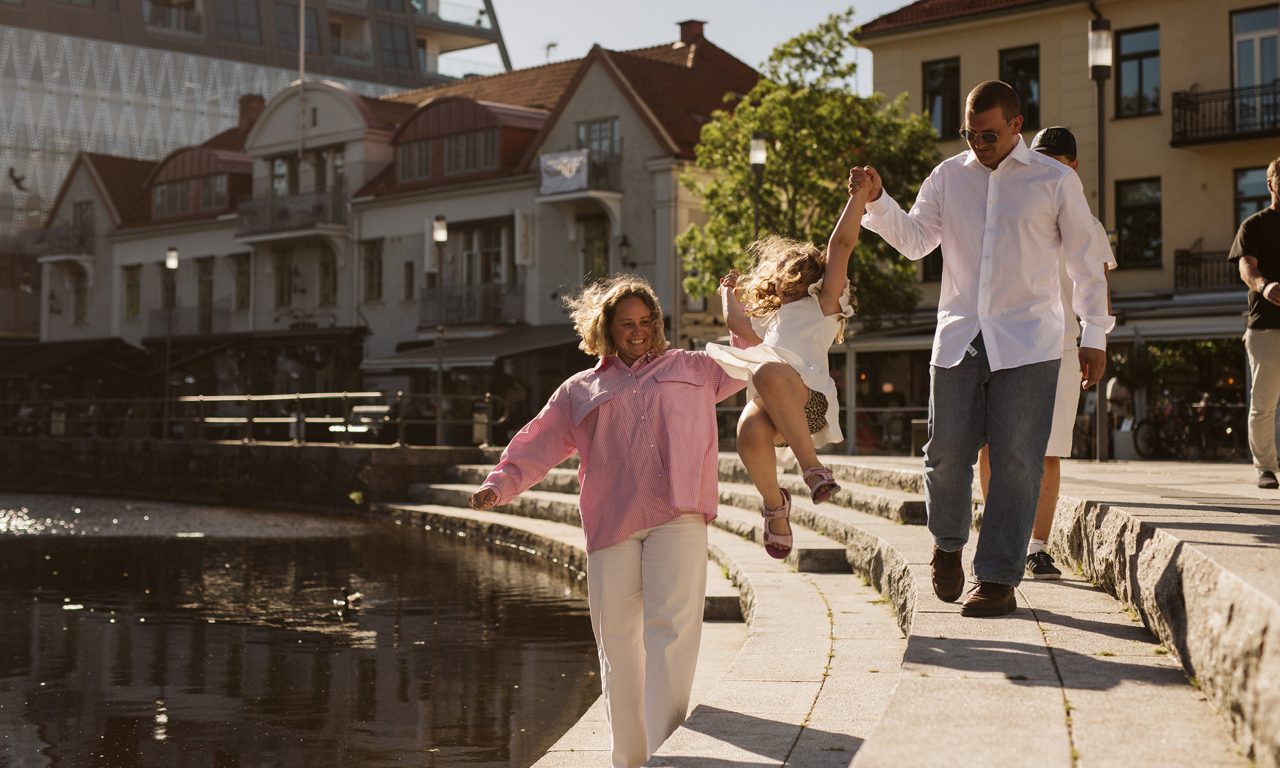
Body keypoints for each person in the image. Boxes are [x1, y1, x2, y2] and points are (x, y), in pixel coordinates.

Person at [854, 81, 1114, 617]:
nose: (978, 143)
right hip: (960, 338)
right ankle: (947, 544)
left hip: (1031, 340)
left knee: (1019, 462)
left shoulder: (1056, 180)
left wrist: (1093, 334)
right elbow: (915, 241)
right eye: (969, 133)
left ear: (1017, 125)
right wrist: (878, 201)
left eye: (989, 133)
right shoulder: (948, 176)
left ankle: (996, 578)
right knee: (945, 454)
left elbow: (1086, 263)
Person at [468, 275, 745, 768]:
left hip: (678, 517)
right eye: (627, 324)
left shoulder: (697, 368)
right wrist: (501, 482)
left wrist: (733, 307)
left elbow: (752, 357)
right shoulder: (581, 389)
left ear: (657, 323)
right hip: (612, 521)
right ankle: (628, 760)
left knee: (671, 636)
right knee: (617, 643)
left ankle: (665, 755)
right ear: (608, 329)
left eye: (646, 321)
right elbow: (540, 440)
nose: (638, 331)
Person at [977, 125, 1116, 580]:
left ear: (1072, 166)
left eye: (1054, 160)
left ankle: (1036, 547)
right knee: (992, 446)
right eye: (1038, 159)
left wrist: (1095, 341)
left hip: (1060, 346)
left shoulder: (1088, 225)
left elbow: (1096, 286)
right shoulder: (1008, 212)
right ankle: (994, 536)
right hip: (1005, 342)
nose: (1043, 169)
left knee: (1048, 451)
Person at [704, 173, 865, 558]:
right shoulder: (772, 319)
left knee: (764, 371)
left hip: (809, 403)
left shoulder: (823, 303)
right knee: (746, 431)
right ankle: (775, 506)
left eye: (792, 273)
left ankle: (812, 469)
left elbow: (841, 245)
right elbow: (737, 324)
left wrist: (858, 197)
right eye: (780, 275)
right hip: (776, 408)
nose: (783, 280)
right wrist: (728, 293)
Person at [1228, 157, 1280, 490]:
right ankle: (1266, 468)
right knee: (1264, 402)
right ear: (1271, 183)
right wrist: (1264, 286)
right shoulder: (1254, 225)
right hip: (1267, 327)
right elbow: (1246, 265)